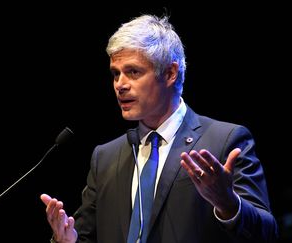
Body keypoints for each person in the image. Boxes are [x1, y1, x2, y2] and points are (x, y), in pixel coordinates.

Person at [40, 14, 278, 243]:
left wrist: (229, 205)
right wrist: (66, 240)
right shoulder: (105, 158)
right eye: (115, 74)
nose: (120, 85)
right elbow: (86, 237)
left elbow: (266, 234)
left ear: (170, 73)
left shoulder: (223, 141)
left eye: (133, 72)